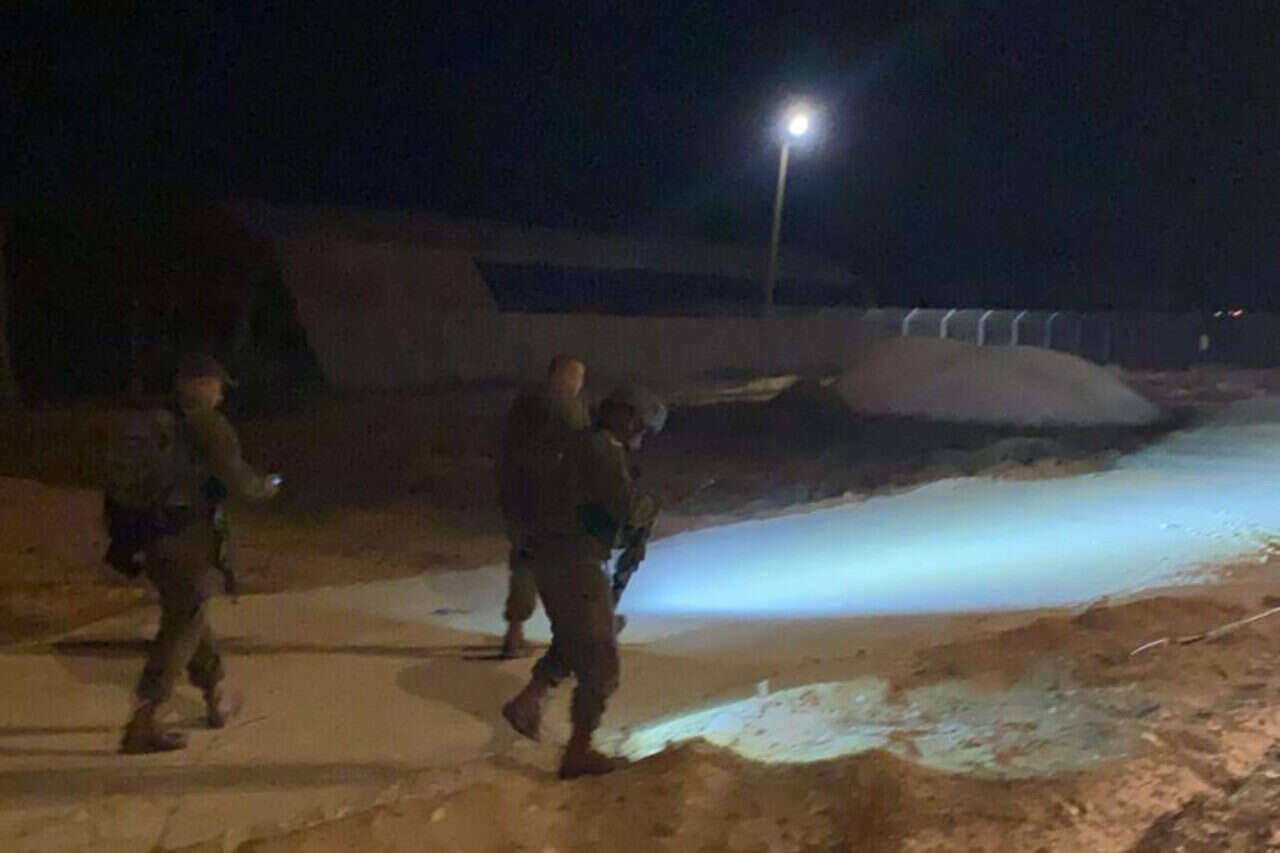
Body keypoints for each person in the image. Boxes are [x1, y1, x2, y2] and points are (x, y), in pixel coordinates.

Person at [501, 383, 666, 778]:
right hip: (575, 562)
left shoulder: (579, 444)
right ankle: (579, 751)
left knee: (576, 637)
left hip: (554, 558)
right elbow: (624, 511)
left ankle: (529, 701)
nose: (640, 437)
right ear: (627, 416)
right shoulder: (602, 450)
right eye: (641, 427)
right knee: (601, 661)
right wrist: (652, 504)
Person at [119, 355, 281, 754]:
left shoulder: (152, 422)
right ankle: (145, 716)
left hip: (150, 538)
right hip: (190, 538)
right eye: (216, 385)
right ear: (197, 384)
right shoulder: (206, 424)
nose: (220, 394)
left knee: (190, 614)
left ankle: (215, 695)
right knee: (184, 623)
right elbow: (237, 479)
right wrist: (268, 486)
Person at [496, 355, 589, 658]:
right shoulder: (566, 406)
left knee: (525, 562)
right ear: (563, 375)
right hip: (551, 500)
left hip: (517, 495)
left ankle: (514, 633)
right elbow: (583, 447)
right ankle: (577, 631)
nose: (579, 384)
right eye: (577, 377)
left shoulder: (525, 401)